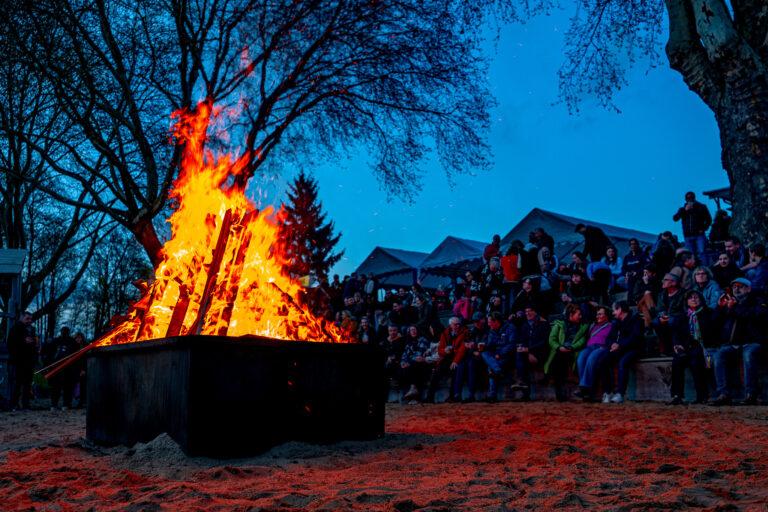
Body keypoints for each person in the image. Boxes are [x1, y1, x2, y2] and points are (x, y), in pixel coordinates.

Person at [710, 278, 768, 405]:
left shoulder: (758, 300)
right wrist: (720, 308)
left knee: (748, 355)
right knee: (718, 355)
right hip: (732, 344)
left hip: (753, 341)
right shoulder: (729, 302)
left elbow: (756, 316)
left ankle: (751, 394)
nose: (736, 289)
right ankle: (723, 394)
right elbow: (714, 323)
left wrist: (735, 307)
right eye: (734, 286)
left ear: (748, 289)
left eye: (740, 286)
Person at [668, 290, 716, 405]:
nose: (693, 300)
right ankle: (677, 395)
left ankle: (702, 395)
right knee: (677, 361)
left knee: (697, 362)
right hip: (686, 347)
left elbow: (712, 331)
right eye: (690, 298)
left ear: (701, 300)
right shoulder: (682, 316)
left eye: (696, 298)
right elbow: (676, 333)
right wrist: (677, 344)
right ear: (687, 301)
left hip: (704, 346)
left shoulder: (708, 313)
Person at [600, 300, 644, 404]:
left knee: (623, 363)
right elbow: (609, 338)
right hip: (620, 349)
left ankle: (620, 393)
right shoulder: (616, 322)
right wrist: (613, 344)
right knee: (603, 361)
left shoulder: (636, 319)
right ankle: (608, 392)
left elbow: (635, 338)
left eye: (615, 310)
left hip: (634, 349)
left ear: (620, 309)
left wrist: (620, 344)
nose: (613, 312)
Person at [544, 303, 588, 401]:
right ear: (571, 315)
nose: (580, 317)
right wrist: (559, 347)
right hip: (559, 350)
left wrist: (572, 347)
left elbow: (582, 340)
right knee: (559, 358)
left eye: (580, 314)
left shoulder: (583, 326)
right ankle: (559, 390)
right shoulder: (559, 324)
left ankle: (558, 388)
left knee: (561, 359)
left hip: (574, 351)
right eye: (578, 314)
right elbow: (552, 339)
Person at [576, 306, 613, 402]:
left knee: (592, 358)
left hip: (602, 347)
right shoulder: (593, 326)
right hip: (589, 347)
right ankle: (585, 390)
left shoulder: (611, 325)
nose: (597, 316)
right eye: (597, 314)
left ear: (607, 315)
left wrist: (607, 346)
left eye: (600, 314)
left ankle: (584, 388)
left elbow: (612, 339)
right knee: (581, 358)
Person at [426, 317, 468, 403]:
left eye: (458, 324)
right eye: (455, 324)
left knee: (454, 370)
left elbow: (462, 349)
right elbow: (440, 350)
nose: (457, 326)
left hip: (458, 358)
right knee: (436, 372)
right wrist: (445, 351)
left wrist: (455, 361)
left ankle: (452, 396)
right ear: (450, 325)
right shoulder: (445, 333)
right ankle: (429, 397)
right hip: (447, 357)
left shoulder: (464, 332)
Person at [480, 312, 517, 402]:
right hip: (495, 356)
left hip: (508, 356)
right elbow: (490, 346)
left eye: (490, 322)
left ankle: (492, 395)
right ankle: (498, 371)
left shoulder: (510, 328)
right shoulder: (492, 331)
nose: (488, 324)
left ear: (496, 321)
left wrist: (500, 353)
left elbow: (512, 345)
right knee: (484, 353)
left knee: (491, 368)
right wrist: (483, 345)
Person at [6, 311, 38, 411]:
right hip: (19, 360)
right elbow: (10, 343)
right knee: (18, 383)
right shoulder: (15, 328)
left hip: (29, 360)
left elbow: (33, 343)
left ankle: (25, 405)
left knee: (27, 384)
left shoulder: (31, 329)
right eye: (27, 318)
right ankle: (14, 404)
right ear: (21, 318)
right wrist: (24, 341)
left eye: (30, 319)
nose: (29, 321)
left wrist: (34, 346)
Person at [651, 272, 686, 355]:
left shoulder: (683, 294)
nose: (663, 281)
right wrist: (662, 316)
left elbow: (685, 311)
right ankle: (664, 347)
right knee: (656, 322)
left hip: (679, 318)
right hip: (667, 317)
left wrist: (669, 317)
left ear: (674, 283)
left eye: (665, 280)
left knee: (672, 321)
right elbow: (659, 309)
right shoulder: (662, 294)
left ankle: (676, 346)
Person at [47, 327, 79, 410]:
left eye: (66, 331)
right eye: (63, 331)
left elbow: (76, 355)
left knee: (67, 386)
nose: (64, 332)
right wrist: (50, 364)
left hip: (69, 367)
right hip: (57, 367)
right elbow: (49, 353)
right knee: (56, 386)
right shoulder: (55, 341)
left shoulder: (72, 342)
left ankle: (66, 404)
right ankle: (54, 404)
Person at [672, 191, 712, 258]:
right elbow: (675, 218)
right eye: (688, 199)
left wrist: (703, 229)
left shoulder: (701, 207)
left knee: (702, 252)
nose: (690, 200)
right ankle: (694, 268)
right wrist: (685, 210)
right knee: (690, 255)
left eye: (691, 198)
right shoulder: (682, 209)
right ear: (685, 200)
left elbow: (709, 219)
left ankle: (705, 268)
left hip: (699, 234)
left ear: (694, 198)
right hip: (688, 236)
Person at [400, 326, 431, 403]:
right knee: (403, 369)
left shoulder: (422, 340)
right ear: (409, 332)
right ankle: (410, 396)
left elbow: (419, 355)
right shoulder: (408, 342)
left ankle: (414, 396)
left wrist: (409, 362)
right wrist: (403, 362)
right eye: (411, 330)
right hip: (411, 364)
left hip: (422, 363)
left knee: (413, 367)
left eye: (414, 330)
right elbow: (404, 355)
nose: (413, 331)